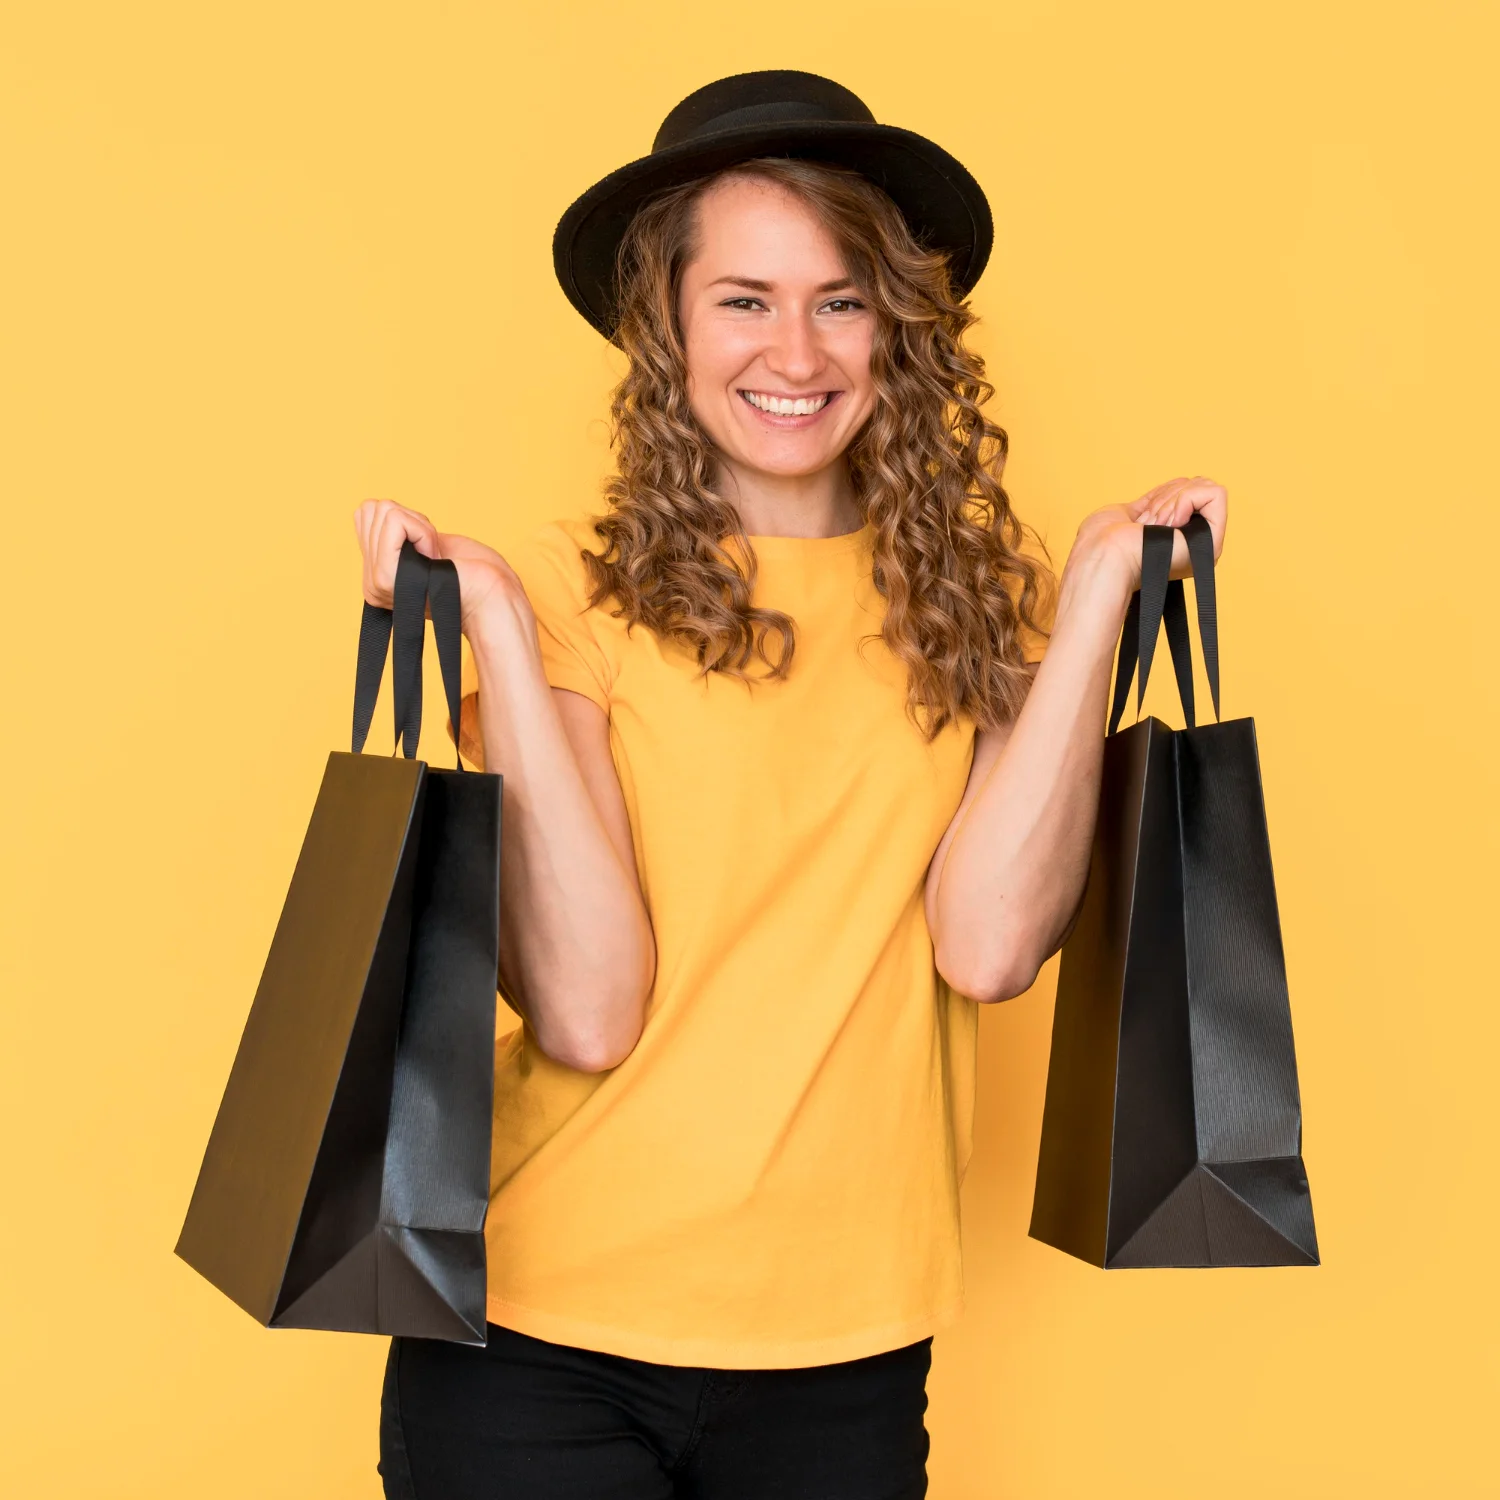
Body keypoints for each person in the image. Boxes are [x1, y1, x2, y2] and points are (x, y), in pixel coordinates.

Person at [355, 69, 1227, 1500]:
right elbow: (585, 1005)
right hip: (536, 1344)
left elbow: (992, 946)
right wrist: (499, 637)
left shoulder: (975, 621)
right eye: (745, 298)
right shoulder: (568, 606)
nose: (797, 349)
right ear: (670, 326)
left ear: (898, 326)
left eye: (841, 299)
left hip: (849, 1358)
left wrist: (1091, 605)